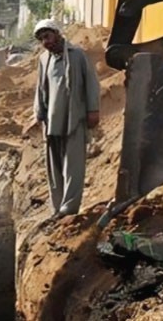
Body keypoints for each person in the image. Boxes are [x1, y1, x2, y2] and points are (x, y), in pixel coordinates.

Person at [30, 19, 100, 218]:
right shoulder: (44, 59)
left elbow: (91, 83)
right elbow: (40, 89)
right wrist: (39, 114)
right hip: (52, 121)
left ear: (58, 34)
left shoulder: (77, 55)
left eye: (48, 36)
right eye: (42, 39)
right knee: (54, 168)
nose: (46, 41)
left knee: (73, 166)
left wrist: (93, 110)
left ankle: (69, 208)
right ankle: (57, 207)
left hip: (74, 119)